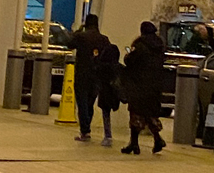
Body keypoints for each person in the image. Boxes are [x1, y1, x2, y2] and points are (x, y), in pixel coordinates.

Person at [121, 21, 166, 155]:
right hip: (155, 86)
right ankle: (157, 139)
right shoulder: (160, 46)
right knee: (150, 114)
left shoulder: (139, 45)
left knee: (136, 113)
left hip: (139, 84)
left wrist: (128, 55)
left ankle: (134, 144)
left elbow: (130, 61)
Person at [69, 13, 111, 142]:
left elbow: (69, 44)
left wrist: (78, 30)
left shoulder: (81, 36)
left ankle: (85, 131)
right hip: (97, 76)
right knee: (90, 103)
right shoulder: (104, 39)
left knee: (82, 103)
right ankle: (87, 127)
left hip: (82, 73)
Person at [95, 41, 122, 148]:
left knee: (106, 114)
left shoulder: (102, 66)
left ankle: (108, 136)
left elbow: (95, 67)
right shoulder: (119, 67)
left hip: (105, 94)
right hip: (116, 94)